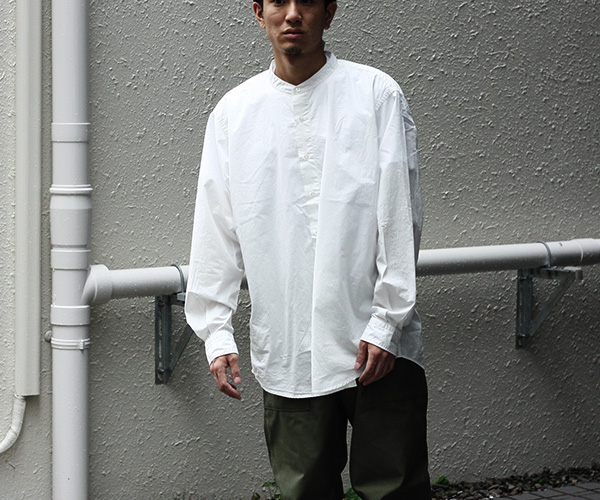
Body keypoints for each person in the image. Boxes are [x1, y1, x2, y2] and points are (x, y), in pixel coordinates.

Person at [185, 1, 430, 498]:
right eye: (279, 1)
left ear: (330, 11)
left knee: (395, 489)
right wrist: (216, 332)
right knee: (304, 491)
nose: (293, 14)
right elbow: (216, 228)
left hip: (375, 341)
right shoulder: (235, 114)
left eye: (308, 1)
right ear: (259, 13)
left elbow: (401, 216)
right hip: (290, 348)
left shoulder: (375, 95)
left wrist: (387, 321)